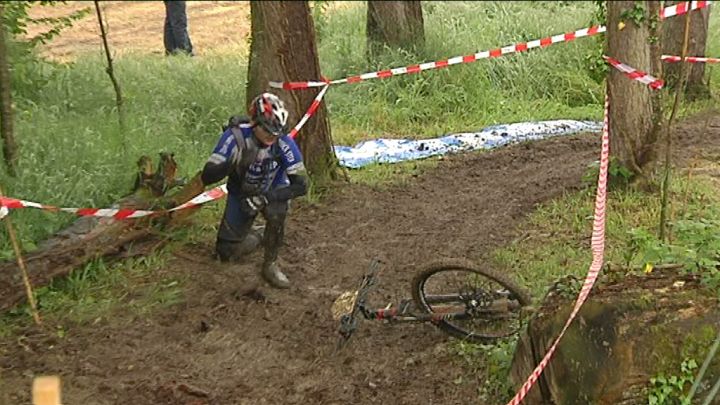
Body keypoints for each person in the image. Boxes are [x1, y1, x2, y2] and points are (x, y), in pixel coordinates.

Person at [201, 93, 308, 289]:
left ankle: (270, 264)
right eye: (267, 130)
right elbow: (207, 177)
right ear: (254, 123)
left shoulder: (283, 142)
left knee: (277, 211)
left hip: (273, 190)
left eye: (276, 132)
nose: (272, 136)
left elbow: (301, 185)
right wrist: (228, 163)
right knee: (225, 253)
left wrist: (266, 198)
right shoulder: (235, 137)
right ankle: (259, 235)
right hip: (241, 193)